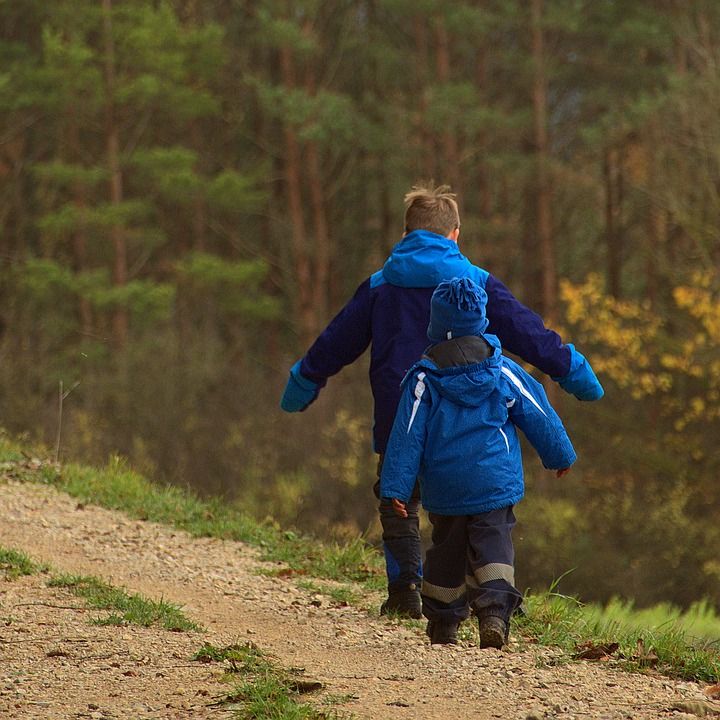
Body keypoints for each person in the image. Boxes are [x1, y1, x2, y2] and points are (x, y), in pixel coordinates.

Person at [280, 184, 601, 619]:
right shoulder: (477, 283)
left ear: (407, 233)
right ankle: (491, 592)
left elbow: (335, 342)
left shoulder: (381, 286)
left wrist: (304, 380)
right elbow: (531, 335)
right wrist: (573, 372)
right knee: (479, 503)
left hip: (401, 416)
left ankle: (405, 590)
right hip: (470, 423)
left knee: (398, 499)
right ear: (455, 234)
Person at [380, 277, 576, 647]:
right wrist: (559, 455)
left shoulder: (423, 380)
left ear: (435, 325)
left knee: (447, 549)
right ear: (481, 320)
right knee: (494, 543)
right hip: (493, 482)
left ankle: (444, 624)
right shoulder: (502, 371)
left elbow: (406, 436)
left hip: (446, 484)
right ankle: (494, 614)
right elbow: (538, 413)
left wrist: (396, 488)